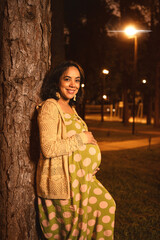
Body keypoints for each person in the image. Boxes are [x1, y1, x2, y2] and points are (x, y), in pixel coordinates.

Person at [36, 61, 116, 240]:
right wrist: (83, 139)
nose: (73, 85)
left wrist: (88, 165)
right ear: (57, 81)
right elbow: (48, 148)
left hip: (83, 178)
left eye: (77, 80)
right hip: (65, 183)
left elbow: (77, 146)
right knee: (75, 234)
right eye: (67, 79)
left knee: (106, 205)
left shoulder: (72, 108)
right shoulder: (50, 107)